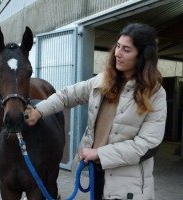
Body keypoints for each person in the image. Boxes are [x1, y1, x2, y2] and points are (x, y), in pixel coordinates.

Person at [24, 23, 167, 200]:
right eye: (118, 46)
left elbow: (147, 145)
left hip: (128, 185)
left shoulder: (155, 93)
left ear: (142, 57)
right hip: (96, 173)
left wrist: (99, 153)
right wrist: (39, 111)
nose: (117, 53)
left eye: (126, 50)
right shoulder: (103, 80)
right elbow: (67, 95)